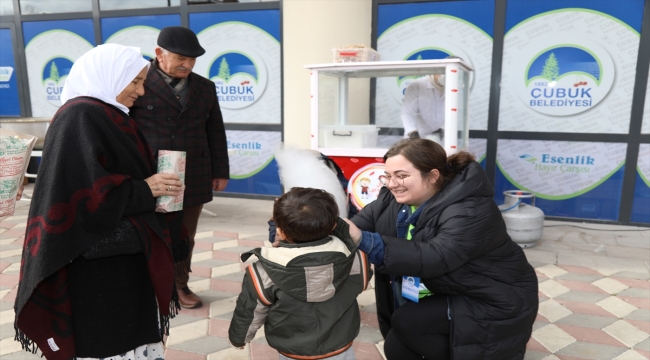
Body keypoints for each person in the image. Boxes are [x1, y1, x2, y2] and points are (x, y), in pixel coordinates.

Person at [14, 44, 186, 360]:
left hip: (118, 253)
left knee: (126, 332)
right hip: (97, 262)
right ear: (109, 76)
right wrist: (146, 189)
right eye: (134, 81)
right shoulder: (81, 116)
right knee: (107, 336)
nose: (141, 91)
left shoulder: (106, 113)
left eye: (142, 81)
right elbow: (82, 195)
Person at [346, 139, 539, 359]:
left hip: (492, 295)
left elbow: (436, 256)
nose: (392, 184)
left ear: (433, 175)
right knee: (396, 346)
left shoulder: (469, 208)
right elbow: (358, 225)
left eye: (402, 176)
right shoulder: (393, 199)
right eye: (388, 176)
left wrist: (366, 241)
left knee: (408, 321)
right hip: (444, 288)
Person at [130, 26, 230, 309]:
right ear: (159, 53)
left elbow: (216, 131)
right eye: (180, 58)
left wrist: (220, 171)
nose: (187, 65)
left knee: (185, 233)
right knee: (146, 230)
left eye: (193, 59)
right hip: (147, 174)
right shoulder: (136, 81)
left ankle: (179, 285)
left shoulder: (205, 87)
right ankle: (146, 286)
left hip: (193, 175)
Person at [229, 187, 372, 360]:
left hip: (292, 350)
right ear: (334, 225)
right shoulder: (355, 257)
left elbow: (250, 310)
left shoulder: (264, 271)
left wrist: (239, 338)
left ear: (280, 232)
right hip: (340, 347)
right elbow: (362, 283)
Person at [401, 73, 445, 143]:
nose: (445, 75)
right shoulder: (417, 84)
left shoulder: (453, 89)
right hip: (415, 138)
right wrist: (413, 134)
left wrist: (440, 131)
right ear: (435, 71)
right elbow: (407, 113)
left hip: (439, 140)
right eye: (443, 72)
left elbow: (453, 115)